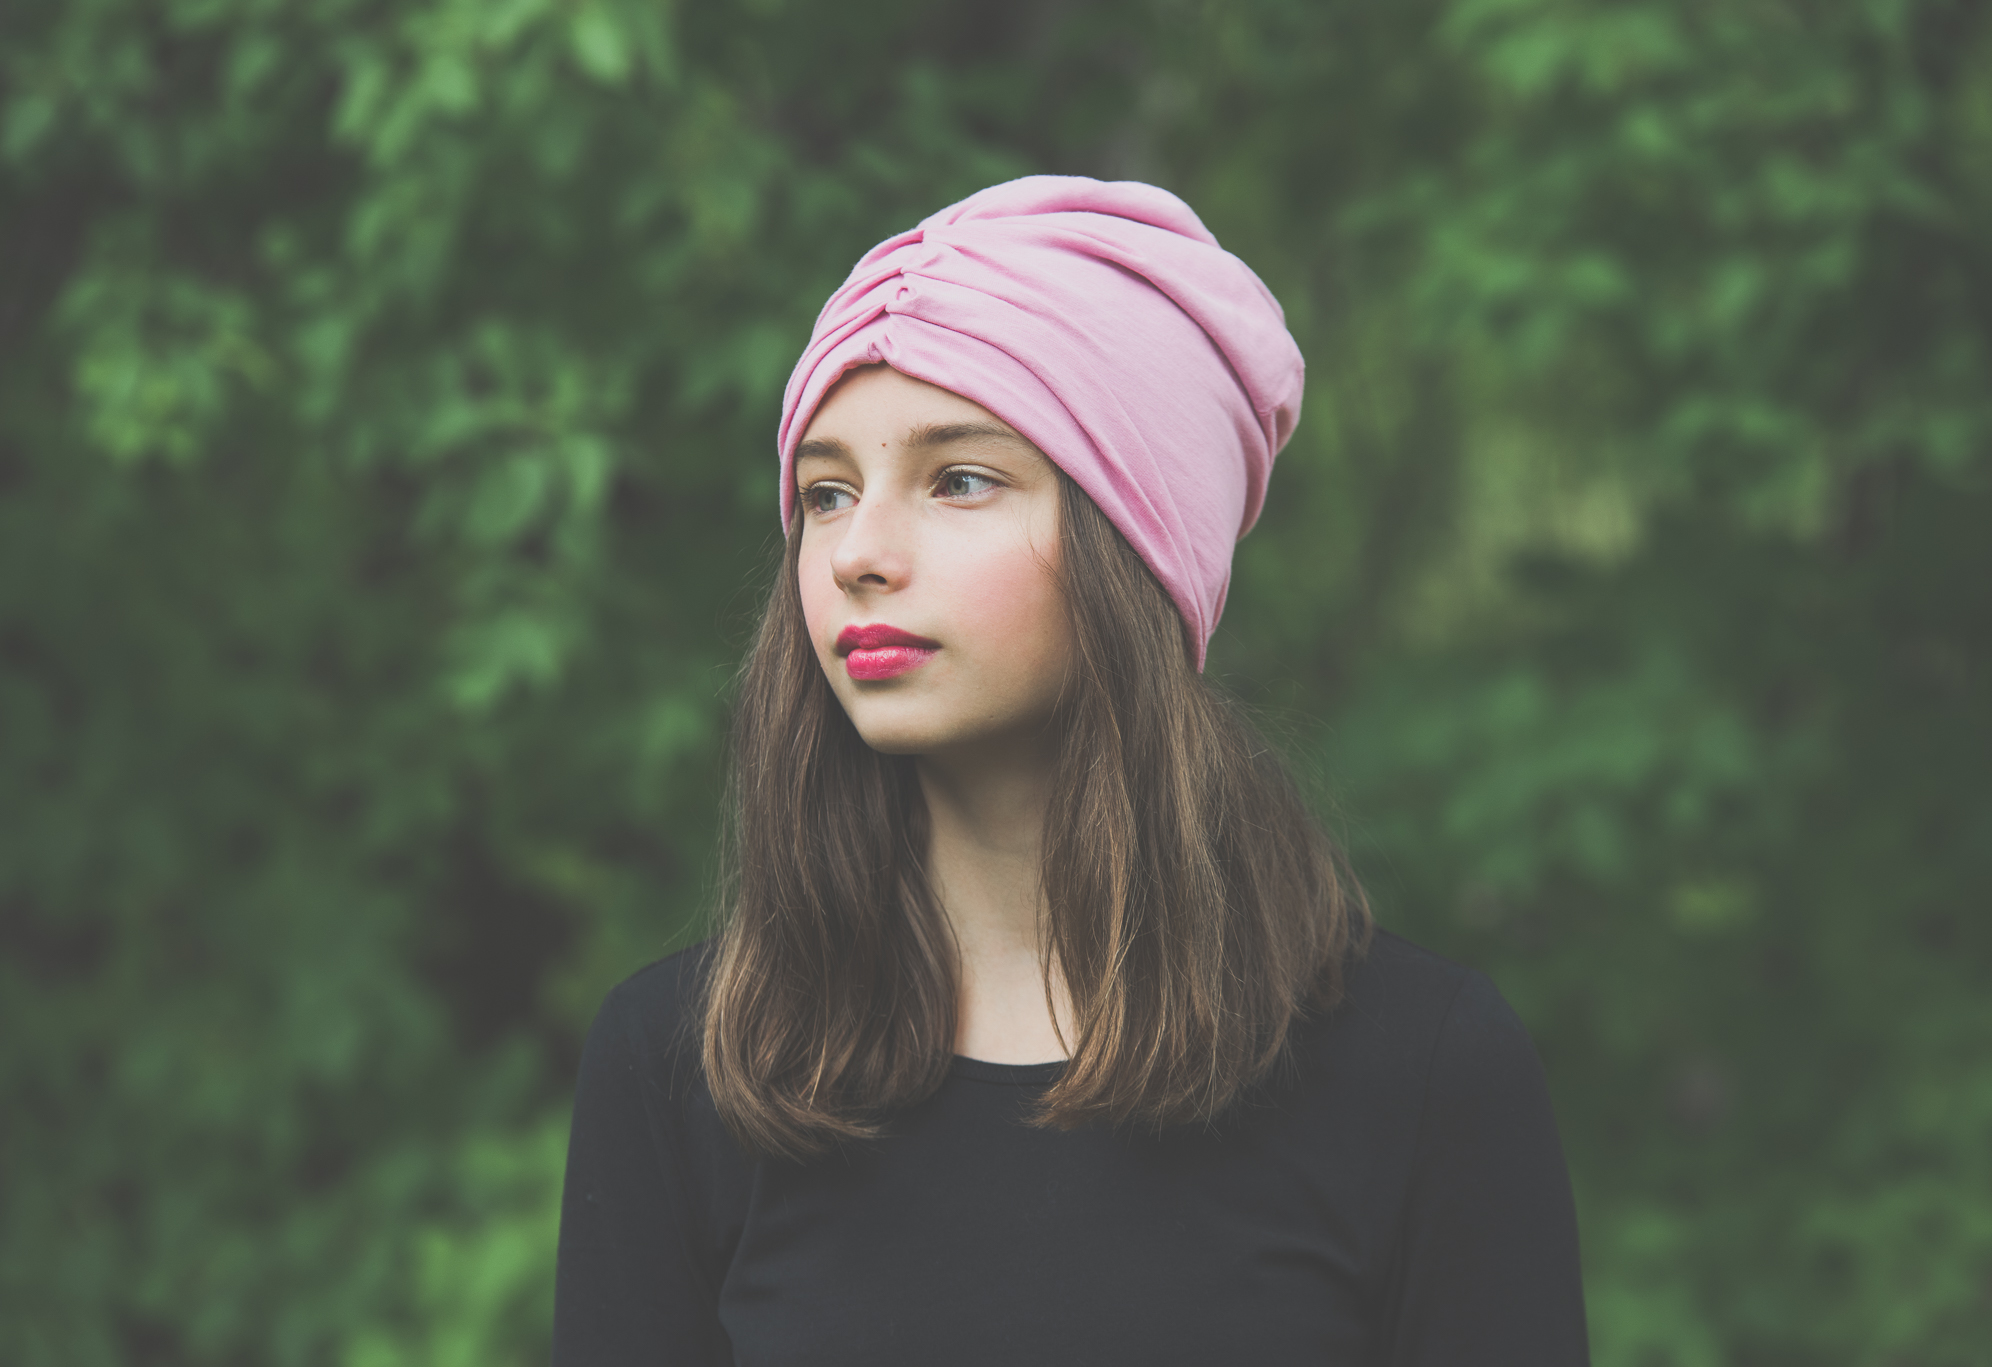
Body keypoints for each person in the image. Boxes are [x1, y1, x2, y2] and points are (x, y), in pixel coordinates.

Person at [551, 177, 1588, 1366]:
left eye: (959, 478)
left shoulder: (1421, 1070)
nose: (856, 554)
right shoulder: (683, 1068)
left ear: (1135, 547)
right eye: (826, 492)